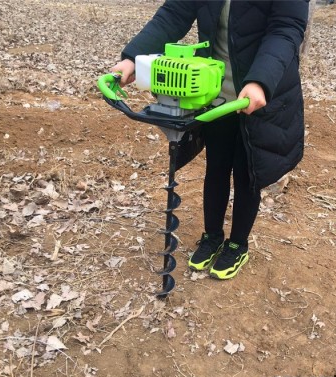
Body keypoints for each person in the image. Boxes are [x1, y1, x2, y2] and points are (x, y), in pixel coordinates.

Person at [111, 0, 309, 280]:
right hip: (213, 94)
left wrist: (260, 80)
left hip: (260, 94)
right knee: (216, 166)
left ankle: (238, 244)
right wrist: (134, 57)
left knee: (247, 172)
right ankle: (212, 236)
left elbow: (286, 28)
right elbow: (175, 13)